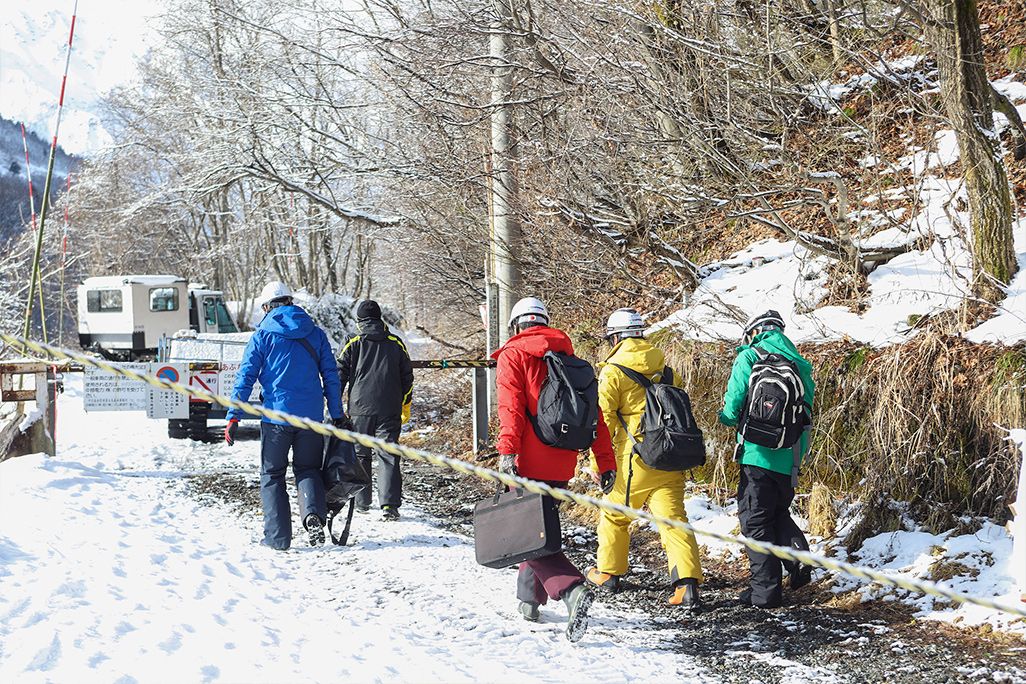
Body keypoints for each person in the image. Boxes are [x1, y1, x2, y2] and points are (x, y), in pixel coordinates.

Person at [492, 296, 617, 643]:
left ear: (516, 326)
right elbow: (596, 417)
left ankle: (571, 589)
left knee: (527, 535)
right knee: (536, 528)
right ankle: (529, 601)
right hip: (563, 460)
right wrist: (605, 462)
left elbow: (511, 409)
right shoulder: (571, 360)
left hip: (528, 461)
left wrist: (507, 453)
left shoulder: (513, 356)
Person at [586, 308, 704, 611]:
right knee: (674, 520)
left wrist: (598, 462)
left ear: (614, 337)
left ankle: (608, 574)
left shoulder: (612, 371)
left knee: (614, 515)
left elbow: (604, 420)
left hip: (633, 459)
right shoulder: (663, 366)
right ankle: (686, 585)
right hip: (669, 455)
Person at [224, 281, 346, 550]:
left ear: (267, 306)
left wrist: (234, 416)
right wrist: (337, 414)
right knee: (309, 469)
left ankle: (278, 539)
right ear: (290, 302)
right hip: (311, 418)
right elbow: (331, 377)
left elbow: (245, 378)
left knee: (272, 475)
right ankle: (313, 514)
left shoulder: (262, 336)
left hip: (276, 419)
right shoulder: (315, 333)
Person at [718, 310, 815, 608]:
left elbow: (732, 405)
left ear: (755, 331)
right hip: (789, 459)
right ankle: (799, 556)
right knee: (777, 513)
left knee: (755, 523)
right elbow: (806, 417)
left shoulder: (749, 356)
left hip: (756, 454)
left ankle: (765, 593)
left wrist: (726, 417)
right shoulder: (801, 366)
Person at [337, 299, 413, 521]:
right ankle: (389, 506)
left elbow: (339, 374)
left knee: (361, 454)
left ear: (360, 320)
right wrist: (404, 402)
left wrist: (335, 405)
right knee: (388, 454)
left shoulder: (353, 342)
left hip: (359, 407)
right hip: (389, 407)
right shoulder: (395, 343)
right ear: (379, 318)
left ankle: (362, 501)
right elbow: (407, 377)